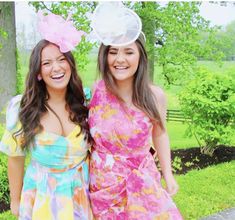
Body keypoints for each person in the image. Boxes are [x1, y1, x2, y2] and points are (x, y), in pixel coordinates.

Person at [0, 12, 93, 220]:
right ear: (39, 73)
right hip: (42, 200)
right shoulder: (23, 107)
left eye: (62, 60)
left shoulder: (86, 102)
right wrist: (15, 200)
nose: (57, 68)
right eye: (47, 63)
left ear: (70, 64)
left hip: (80, 198)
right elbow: (15, 157)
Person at [88, 29, 183, 220]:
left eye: (128, 52)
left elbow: (160, 134)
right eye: (113, 52)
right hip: (103, 186)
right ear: (105, 56)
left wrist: (168, 175)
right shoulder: (96, 90)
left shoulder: (154, 96)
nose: (120, 59)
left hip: (141, 182)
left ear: (140, 56)